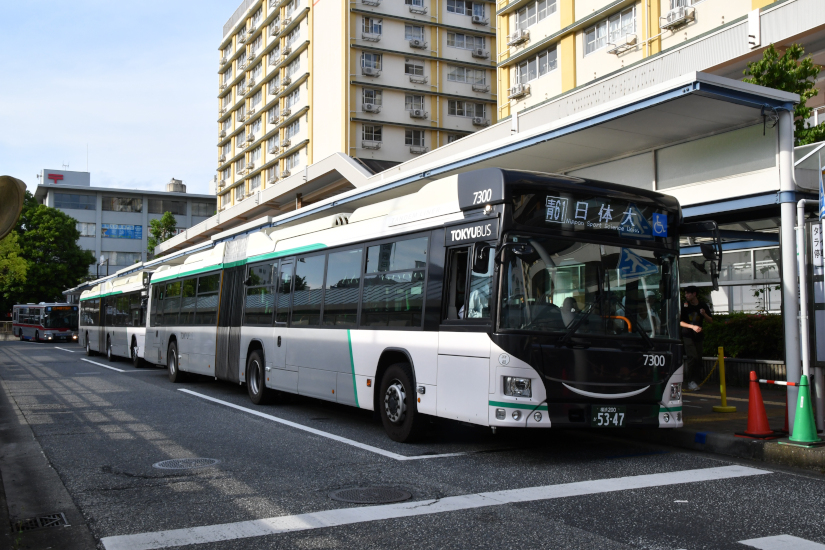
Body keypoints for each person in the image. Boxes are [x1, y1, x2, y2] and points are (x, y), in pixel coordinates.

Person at [680, 286, 713, 391]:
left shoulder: (703, 305)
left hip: (698, 336)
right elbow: (680, 322)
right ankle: (690, 381)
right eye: (685, 294)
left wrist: (704, 314)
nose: (686, 296)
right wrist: (692, 327)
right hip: (687, 334)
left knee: (698, 358)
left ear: (694, 294)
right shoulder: (685, 305)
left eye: (688, 294)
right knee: (692, 357)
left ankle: (695, 380)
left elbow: (710, 320)